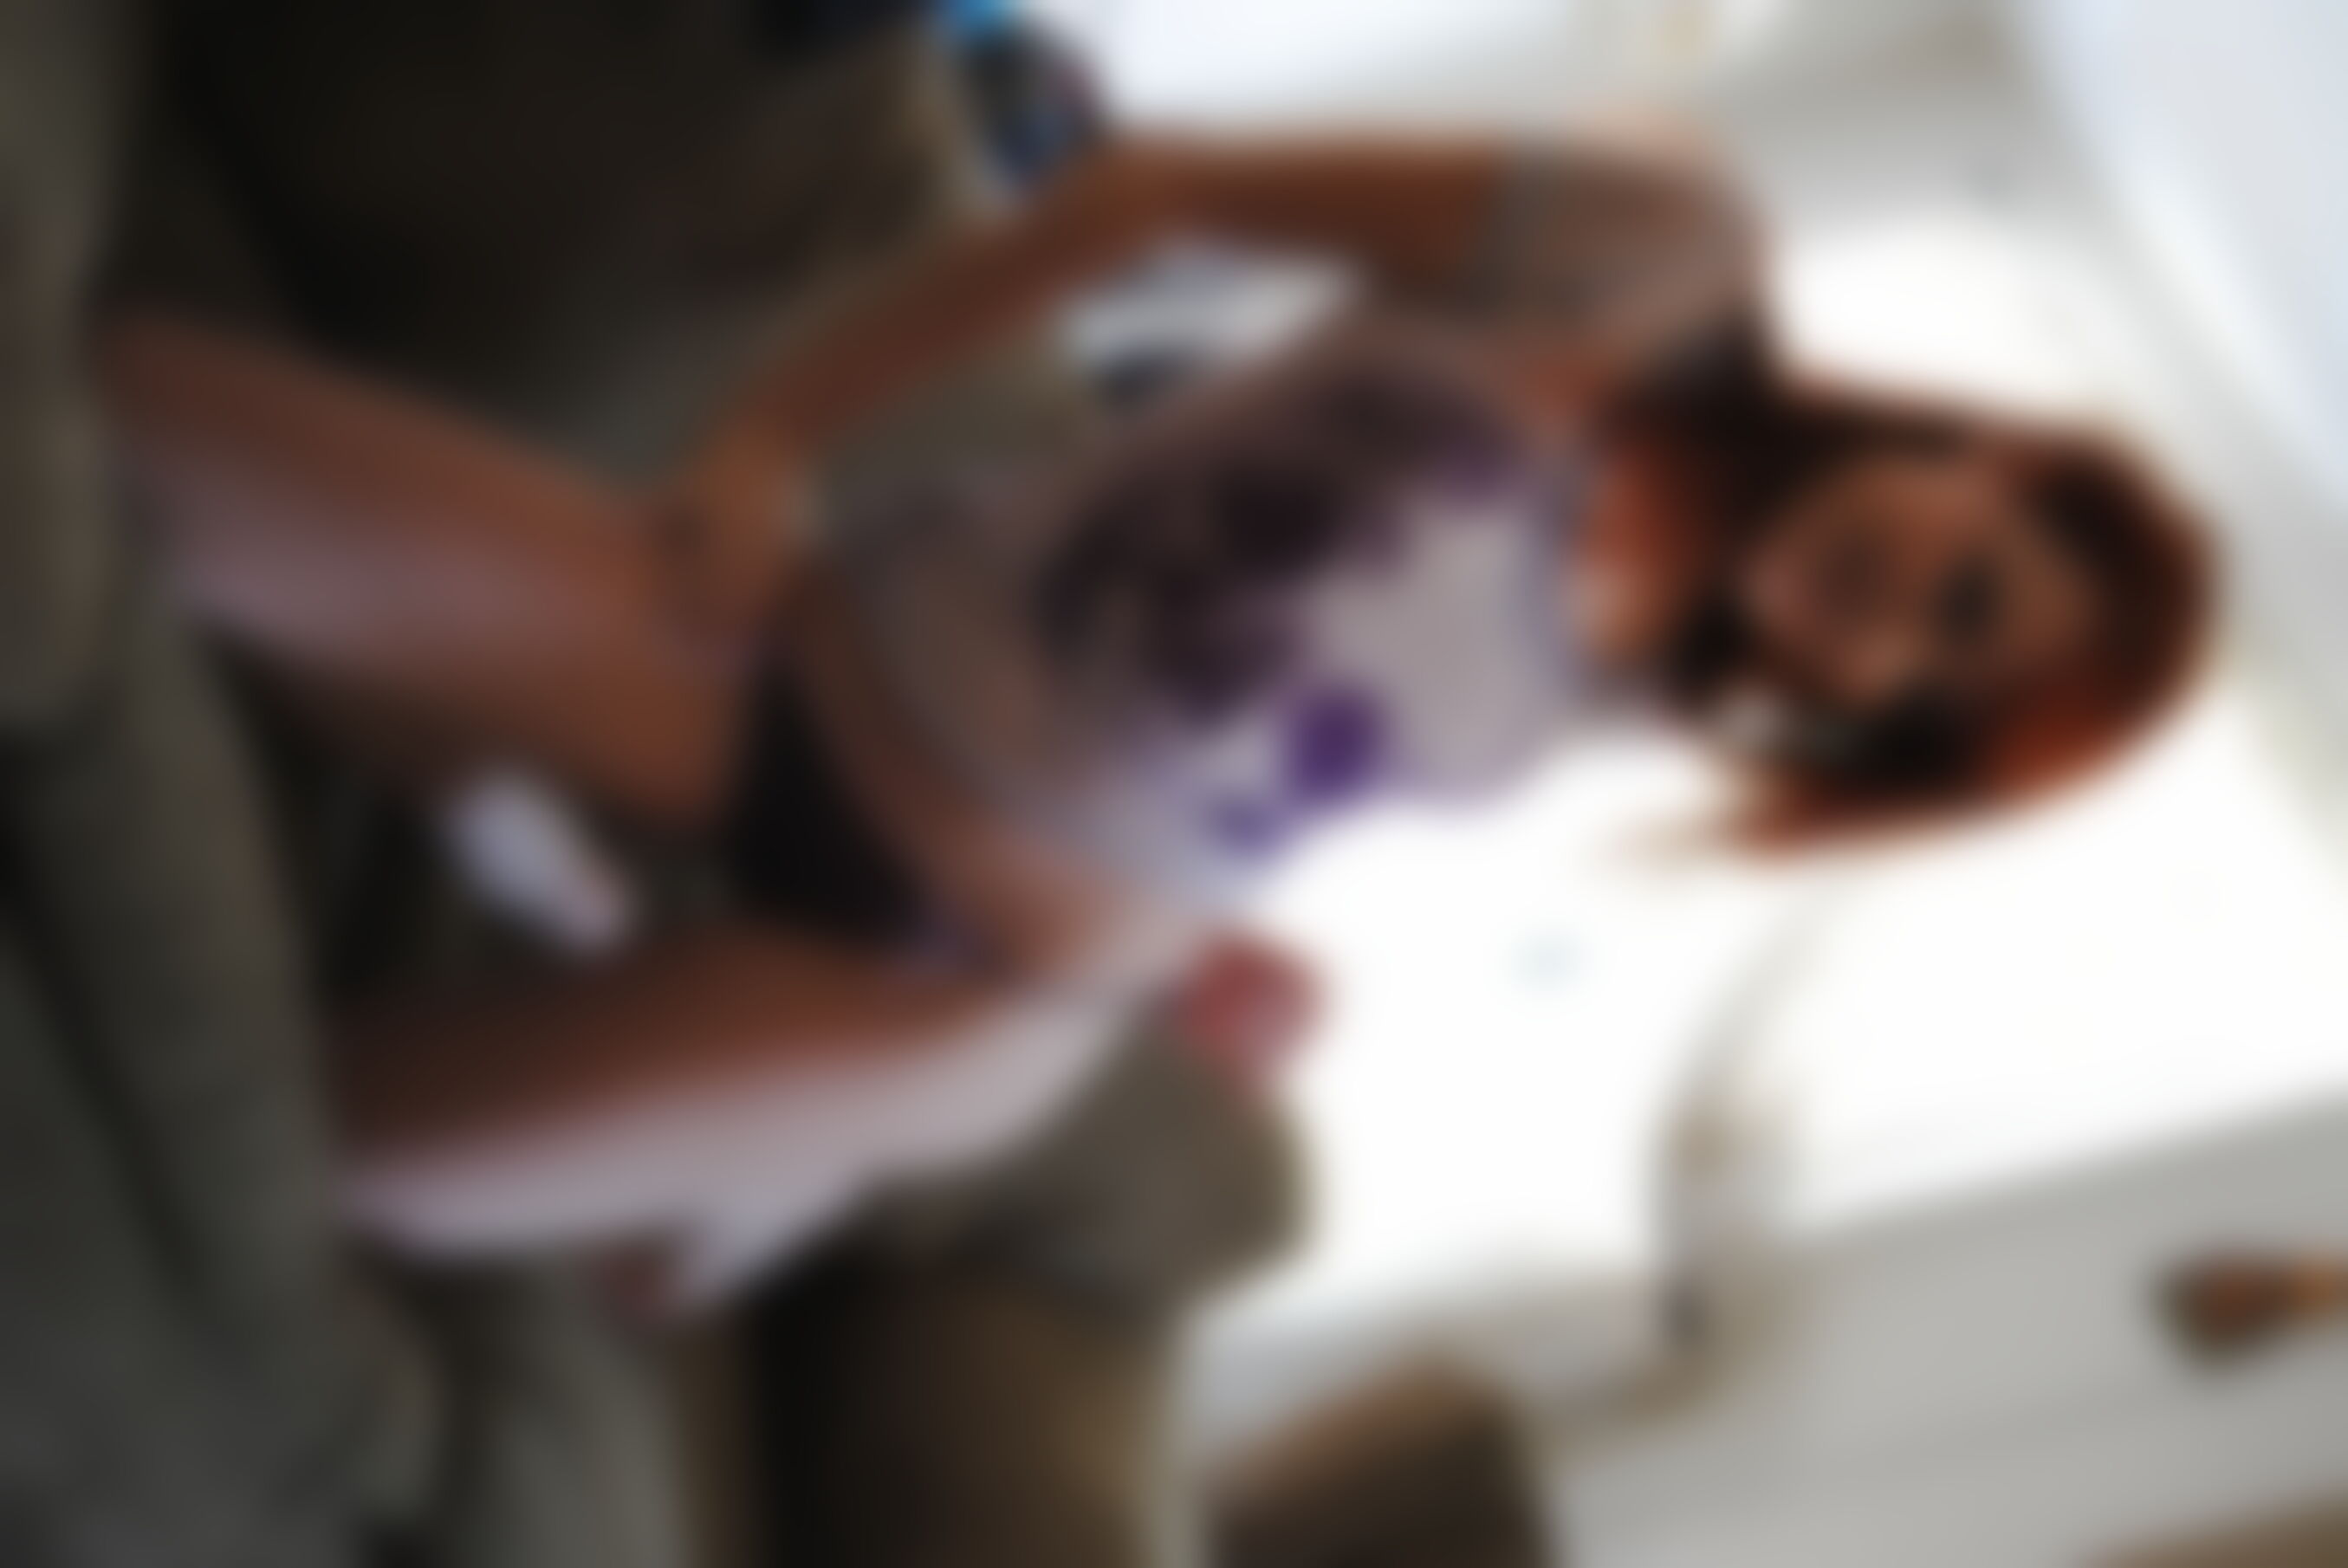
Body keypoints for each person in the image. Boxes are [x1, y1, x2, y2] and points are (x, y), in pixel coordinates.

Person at [97, 123, 2209, 1296]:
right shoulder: (1655, 250)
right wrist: (767, 437)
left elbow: (1251, 752)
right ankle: (560, 892)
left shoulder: (1654, 701)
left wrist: (1217, 959)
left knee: (328, 1159)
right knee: (122, 428)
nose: (1885, 639)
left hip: (961, 994)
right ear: (1985, 459)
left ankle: (748, 1152)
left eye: (1917, 702)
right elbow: (1152, 195)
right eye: (1966, 587)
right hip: (785, 668)